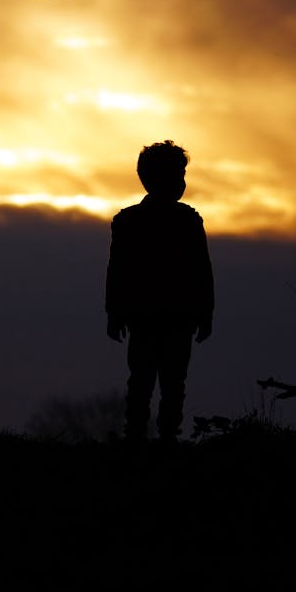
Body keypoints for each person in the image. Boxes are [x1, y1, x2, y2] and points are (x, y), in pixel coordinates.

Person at [105, 139, 214, 446]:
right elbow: (118, 269)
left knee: (153, 380)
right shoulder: (181, 221)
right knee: (160, 381)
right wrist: (205, 312)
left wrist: (115, 312)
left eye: (182, 175)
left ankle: (150, 435)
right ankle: (153, 436)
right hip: (162, 316)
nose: (181, 183)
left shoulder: (136, 220)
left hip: (157, 316)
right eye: (177, 175)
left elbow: (200, 270)